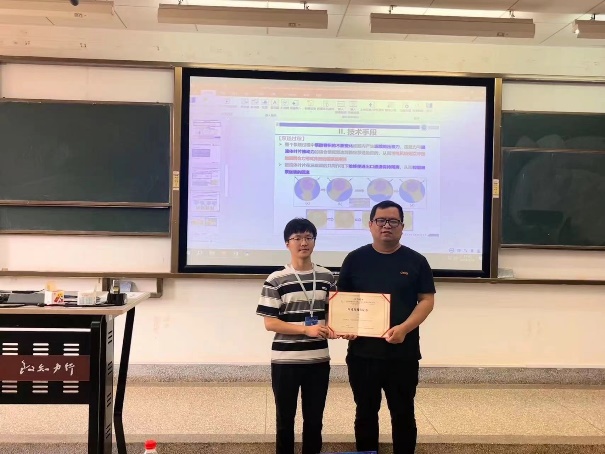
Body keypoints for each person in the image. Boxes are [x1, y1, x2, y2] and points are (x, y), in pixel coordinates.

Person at [337, 200, 436, 454]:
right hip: (362, 355)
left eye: (393, 221)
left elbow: (427, 300)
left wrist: (404, 328)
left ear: (402, 226)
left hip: (403, 354)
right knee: (365, 413)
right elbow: (342, 302)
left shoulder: (416, 261)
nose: (386, 226)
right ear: (370, 224)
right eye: (380, 220)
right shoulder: (354, 259)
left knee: (403, 414)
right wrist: (345, 326)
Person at [256, 218, 336, 454]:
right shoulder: (275, 279)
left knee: (314, 420)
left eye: (309, 237)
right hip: (285, 361)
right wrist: (305, 329)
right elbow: (270, 323)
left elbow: (334, 315)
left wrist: (339, 328)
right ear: (287, 243)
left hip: (318, 360)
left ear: (314, 241)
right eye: (297, 238)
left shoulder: (327, 277)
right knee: (284, 421)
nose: (304, 243)